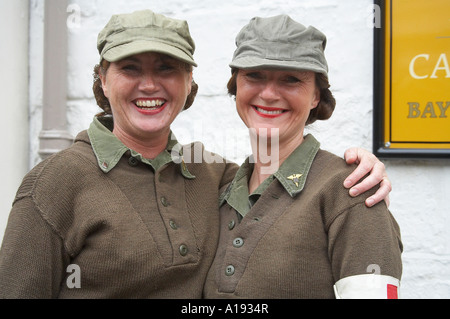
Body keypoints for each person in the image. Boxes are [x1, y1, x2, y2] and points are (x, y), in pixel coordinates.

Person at [0, 10, 391, 299]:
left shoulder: (216, 177)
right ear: (102, 79)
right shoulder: (54, 183)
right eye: (130, 68)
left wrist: (358, 167)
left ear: (190, 83)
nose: (149, 84)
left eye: (291, 78)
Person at [203, 15, 402, 299]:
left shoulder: (352, 190)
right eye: (254, 75)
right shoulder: (221, 190)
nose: (269, 93)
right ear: (236, 85)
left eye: (291, 79)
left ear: (316, 97)